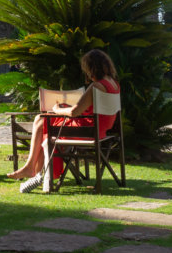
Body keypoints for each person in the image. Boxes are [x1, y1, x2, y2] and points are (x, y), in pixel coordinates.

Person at [7, 49, 121, 192]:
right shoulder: (114, 84)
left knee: (41, 119)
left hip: (87, 129)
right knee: (44, 123)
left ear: (92, 67)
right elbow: (87, 110)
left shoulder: (96, 86)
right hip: (100, 129)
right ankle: (34, 169)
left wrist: (57, 109)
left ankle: (31, 168)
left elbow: (74, 112)